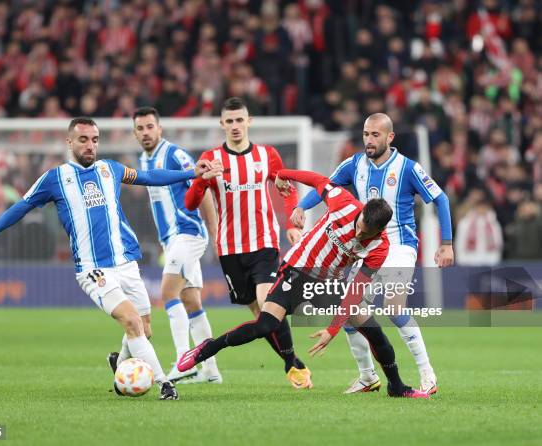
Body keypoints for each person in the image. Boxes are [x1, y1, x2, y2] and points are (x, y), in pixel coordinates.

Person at [0, 117, 222, 401]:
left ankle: (119, 362)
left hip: (126, 262)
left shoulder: (109, 169)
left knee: (144, 329)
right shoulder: (55, 178)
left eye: (95, 140)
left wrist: (190, 174)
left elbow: (150, 177)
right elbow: (20, 208)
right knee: (132, 322)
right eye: (83, 140)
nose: (90, 145)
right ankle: (163, 382)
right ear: (70, 142)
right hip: (93, 270)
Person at [178, 168, 428, 398]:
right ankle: (206, 350)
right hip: (296, 270)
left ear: (381, 230)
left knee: (374, 331)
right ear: (360, 212)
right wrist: (283, 175)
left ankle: (396, 386)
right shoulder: (342, 201)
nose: (359, 234)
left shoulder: (379, 247)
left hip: (329, 284)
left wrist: (331, 330)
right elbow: (318, 181)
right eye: (359, 227)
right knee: (265, 326)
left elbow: (355, 290)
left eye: (366, 234)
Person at [292, 113, 453, 395]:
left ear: (390, 137)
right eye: (366, 134)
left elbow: (440, 197)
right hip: (367, 248)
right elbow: (324, 187)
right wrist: (301, 207)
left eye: (375, 135)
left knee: (393, 307)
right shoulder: (355, 164)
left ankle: (428, 374)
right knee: (351, 310)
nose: (369, 140)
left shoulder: (407, 168)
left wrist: (447, 242)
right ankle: (367, 376)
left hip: (400, 245)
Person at [184, 97, 311, 389]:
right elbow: (191, 203)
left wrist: (291, 223)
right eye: (229, 121)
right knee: (259, 315)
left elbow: (286, 188)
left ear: (249, 121)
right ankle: (292, 361)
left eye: (240, 120)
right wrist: (202, 179)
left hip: (264, 243)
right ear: (222, 124)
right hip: (229, 248)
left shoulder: (267, 155)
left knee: (269, 305)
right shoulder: (212, 158)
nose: (235, 126)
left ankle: (292, 366)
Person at [132, 106, 222, 384]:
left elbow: (202, 185)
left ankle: (185, 362)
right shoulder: (143, 160)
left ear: (160, 129)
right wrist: (165, 243)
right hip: (173, 240)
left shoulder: (175, 154)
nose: (146, 132)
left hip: (189, 233)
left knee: (168, 292)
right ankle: (210, 370)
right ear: (135, 133)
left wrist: (215, 232)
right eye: (140, 128)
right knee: (191, 300)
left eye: (150, 126)